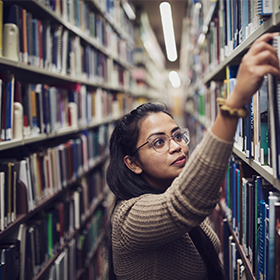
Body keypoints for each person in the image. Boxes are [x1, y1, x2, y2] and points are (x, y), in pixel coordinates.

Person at [105, 33, 280, 280]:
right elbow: (186, 203)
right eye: (158, 142)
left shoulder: (169, 187)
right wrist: (235, 101)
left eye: (177, 136)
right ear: (132, 163)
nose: (176, 146)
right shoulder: (129, 219)